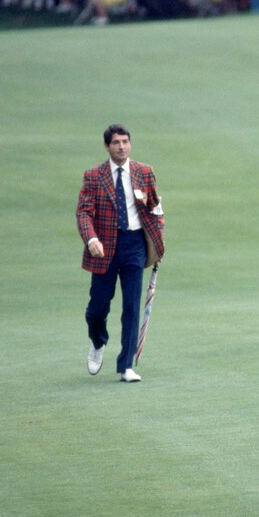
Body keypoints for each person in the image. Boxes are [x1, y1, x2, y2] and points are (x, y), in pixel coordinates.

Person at [76, 125, 165, 383]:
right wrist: (91, 238)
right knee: (97, 307)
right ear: (107, 146)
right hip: (103, 246)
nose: (122, 147)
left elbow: (155, 209)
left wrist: (157, 245)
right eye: (116, 142)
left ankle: (126, 365)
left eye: (125, 142)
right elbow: (83, 212)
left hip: (133, 244)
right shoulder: (94, 176)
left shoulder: (144, 172)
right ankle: (98, 340)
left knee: (131, 305)